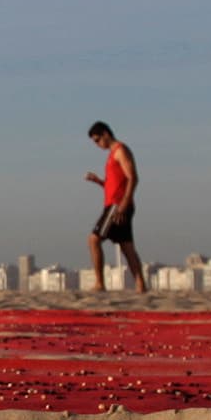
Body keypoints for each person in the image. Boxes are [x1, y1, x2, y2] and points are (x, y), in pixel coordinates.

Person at [85, 121, 146, 293]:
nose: (97, 145)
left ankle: (99, 283)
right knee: (127, 246)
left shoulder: (120, 150)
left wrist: (125, 202)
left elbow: (133, 177)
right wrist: (98, 181)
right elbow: (115, 185)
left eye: (97, 140)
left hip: (116, 206)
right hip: (117, 203)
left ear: (106, 134)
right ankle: (140, 285)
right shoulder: (113, 154)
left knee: (93, 239)